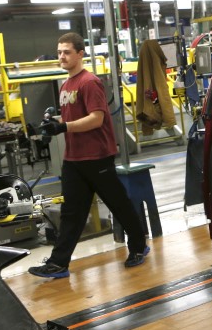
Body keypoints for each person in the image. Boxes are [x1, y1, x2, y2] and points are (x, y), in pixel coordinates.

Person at [28, 33, 149, 279]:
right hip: (74, 158)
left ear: (80, 53)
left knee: (118, 205)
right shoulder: (66, 85)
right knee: (71, 213)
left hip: (97, 156)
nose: (61, 56)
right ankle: (58, 263)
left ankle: (139, 246)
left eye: (67, 52)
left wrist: (64, 127)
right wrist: (55, 124)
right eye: (59, 52)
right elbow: (73, 119)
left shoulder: (89, 82)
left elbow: (97, 119)